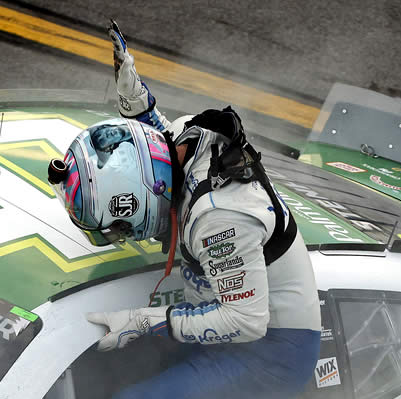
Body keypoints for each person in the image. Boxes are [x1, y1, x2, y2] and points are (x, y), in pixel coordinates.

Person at [47, 21, 321, 399]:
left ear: (141, 200)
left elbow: (246, 321)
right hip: (220, 314)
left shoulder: (218, 220)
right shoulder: (183, 138)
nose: (123, 236)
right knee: (106, 369)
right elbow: (154, 140)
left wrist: (144, 320)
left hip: (268, 352)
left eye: (120, 227)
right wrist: (136, 102)